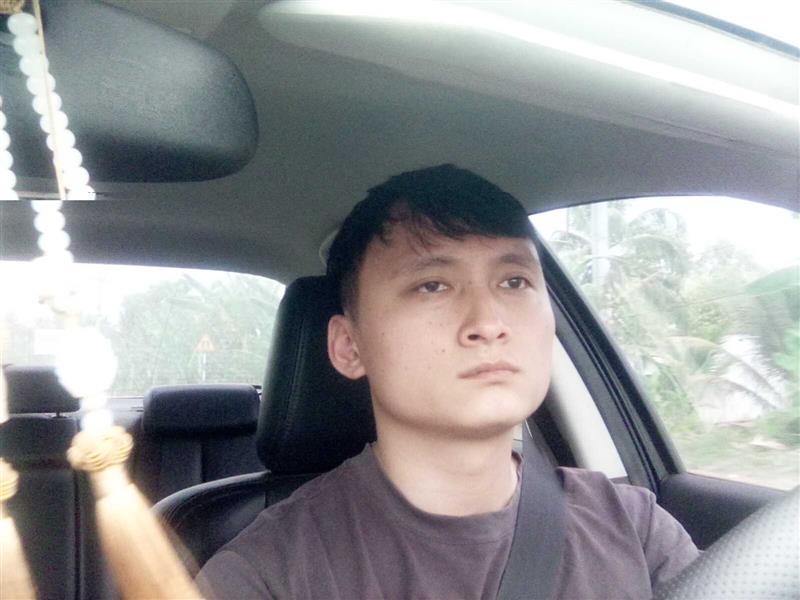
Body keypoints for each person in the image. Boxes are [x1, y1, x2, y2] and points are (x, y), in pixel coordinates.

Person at [196, 164, 699, 599]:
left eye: (514, 281)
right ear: (349, 346)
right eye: (432, 285)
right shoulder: (268, 574)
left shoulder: (636, 529)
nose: (488, 322)